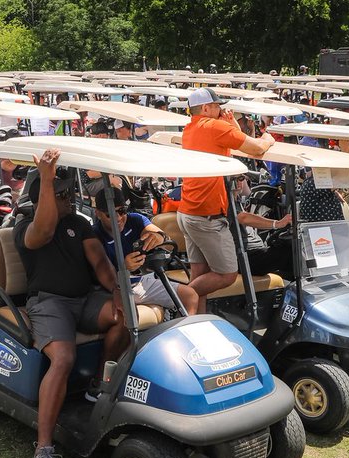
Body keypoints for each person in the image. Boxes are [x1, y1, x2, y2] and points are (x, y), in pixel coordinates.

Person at [16, 150, 127, 458]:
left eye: (69, 193)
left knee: (123, 317)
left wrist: (117, 291)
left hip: (83, 299)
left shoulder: (79, 224)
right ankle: (43, 450)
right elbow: (44, 231)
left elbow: (101, 265)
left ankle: (99, 386)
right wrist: (46, 178)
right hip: (48, 303)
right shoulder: (24, 227)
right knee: (63, 358)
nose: (70, 199)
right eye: (61, 194)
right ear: (43, 198)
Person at [177, 87, 274, 313]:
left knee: (200, 274)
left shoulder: (190, 129)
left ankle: (194, 321)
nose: (221, 111)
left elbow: (231, 144)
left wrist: (231, 127)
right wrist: (268, 138)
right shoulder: (214, 127)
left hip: (188, 211)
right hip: (206, 216)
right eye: (217, 106)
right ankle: (179, 296)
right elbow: (257, 148)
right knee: (227, 274)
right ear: (205, 108)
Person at [91, 187, 196, 316]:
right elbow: (99, 276)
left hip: (141, 281)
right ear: (97, 214)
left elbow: (167, 242)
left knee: (190, 296)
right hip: (114, 289)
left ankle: (184, 327)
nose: (118, 218)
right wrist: (123, 268)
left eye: (122, 211)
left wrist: (159, 237)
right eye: (110, 214)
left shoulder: (135, 220)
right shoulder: (93, 236)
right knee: (125, 314)